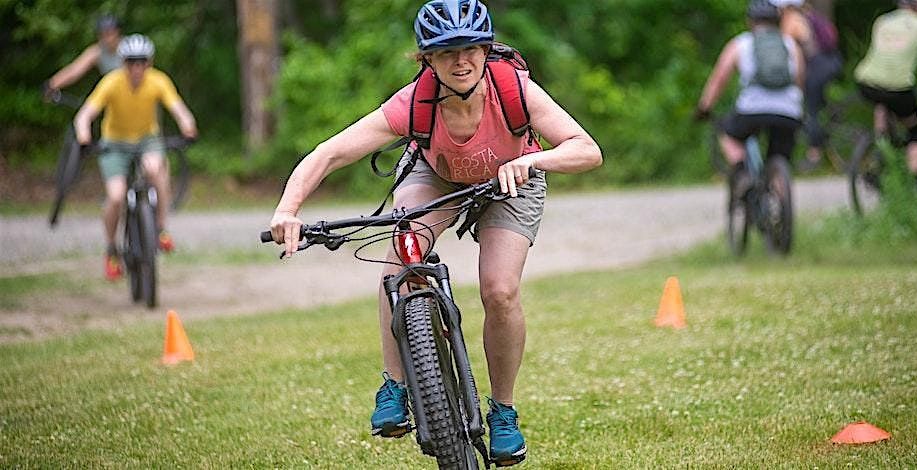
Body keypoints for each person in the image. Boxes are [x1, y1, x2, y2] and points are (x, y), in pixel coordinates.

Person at [267, 0, 601, 464]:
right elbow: (330, 152)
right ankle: (394, 385)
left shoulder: (515, 90)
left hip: (513, 180)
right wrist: (288, 209)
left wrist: (530, 160)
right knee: (401, 250)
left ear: (486, 50)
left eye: (470, 49)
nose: (460, 61)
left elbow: (587, 150)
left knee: (500, 291)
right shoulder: (415, 103)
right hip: (438, 176)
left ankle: (503, 412)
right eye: (446, 53)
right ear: (426, 58)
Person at [73, 34, 198, 280]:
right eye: (131, 62)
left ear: (148, 63)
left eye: (141, 62)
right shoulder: (111, 83)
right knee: (116, 195)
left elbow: (179, 109)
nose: (137, 68)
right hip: (115, 143)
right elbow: (84, 115)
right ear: (123, 63)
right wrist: (84, 137)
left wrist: (188, 127)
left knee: (155, 170)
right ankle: (111, 248)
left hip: (146, 140)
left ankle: (161, 229)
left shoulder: (158, 81)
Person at [695, 0, 804, 196]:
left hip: (752, 109)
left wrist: (704, 108)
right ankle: (781, 207)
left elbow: (719, 79)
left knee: (728, 134)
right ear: (778, 20)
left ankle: (742, 174)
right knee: (780, 156)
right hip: (789, 110)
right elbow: (800, 80)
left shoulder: (741, 43)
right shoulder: (790, 44)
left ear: (750, 21)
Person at [854, 0, 917, 184]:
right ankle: (912, 183)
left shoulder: (883, 20)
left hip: (865, 80)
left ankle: (880, 145)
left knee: (883, 100)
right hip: (899, 86)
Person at [772, 0, 844, 172]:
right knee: (817, 105)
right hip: (829, 62)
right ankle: (833, 122)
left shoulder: (792, 20)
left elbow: (786, 50)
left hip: (817, 66)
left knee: (810, 110)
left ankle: (814, 154)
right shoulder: (805, 16)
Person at [44, 15, 123, 99]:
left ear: (118, 32)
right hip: (114, 96)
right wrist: (52, 84)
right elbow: (74, 70)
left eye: (109, 33)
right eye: (102, 34)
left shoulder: (130, 47)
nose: (107, 38)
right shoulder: (97, 51)